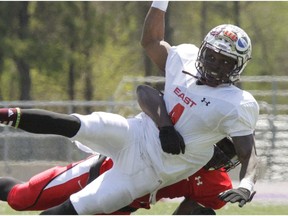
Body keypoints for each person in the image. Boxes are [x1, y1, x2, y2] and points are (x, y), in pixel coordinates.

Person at [0, 1, 259, 214]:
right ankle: (4, 114)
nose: (215, 66)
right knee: (78, 129)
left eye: (226, 63)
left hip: (144, 176)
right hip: (134, 136)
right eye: (212, 57)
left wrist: (246, 184)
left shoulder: (235, 107)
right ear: (202, 51)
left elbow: (248, 155)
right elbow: (149, 58)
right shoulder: (186, 59)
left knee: (79, 207)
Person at [0, 137, 238, 215]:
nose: (221, 159)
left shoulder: (214, 180)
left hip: (124, 204)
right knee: (21, 199)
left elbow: (198, 207)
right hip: (98, 173)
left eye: (229, 155)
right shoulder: (180, 137)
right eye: (222, 148)